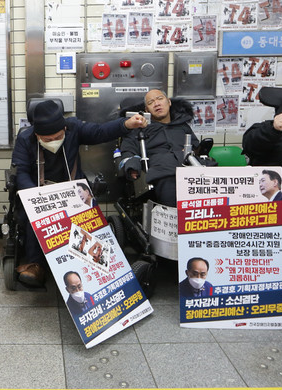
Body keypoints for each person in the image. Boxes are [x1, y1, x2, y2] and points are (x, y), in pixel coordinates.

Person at [12, 99, 146, 286]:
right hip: (40, 192)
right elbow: (21, 172)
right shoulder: (25, 139)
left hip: (73, 189)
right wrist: (35, 197)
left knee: (89, 213)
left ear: (64, 129)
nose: (53, 142)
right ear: (36, 135)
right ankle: (36, 264)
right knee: (33, 217)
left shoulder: (74, 127)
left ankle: (94, 264)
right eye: (47, 140)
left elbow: (100, 132)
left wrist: (126, 124)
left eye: (57, 137)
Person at [119, 89, 199, 206]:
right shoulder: (138, 128)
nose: (156, 104)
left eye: (160, 99)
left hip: (192, 171)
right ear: (147, 110)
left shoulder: (182, 125)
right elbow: (128, 150)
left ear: (169, 102)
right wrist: (132, 165)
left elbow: (196, 146)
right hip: (163, 173)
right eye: (151, 102)